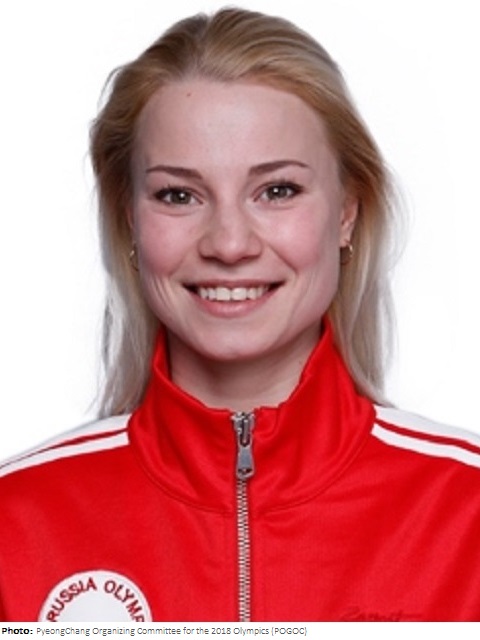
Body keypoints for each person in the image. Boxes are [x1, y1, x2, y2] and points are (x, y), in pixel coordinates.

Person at [1, 6, 480, 623]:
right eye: (178, 195)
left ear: (346, 212)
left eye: (277, 191)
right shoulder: (16, 523)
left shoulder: (467, 514)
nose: (229, 244)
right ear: (129, 219)